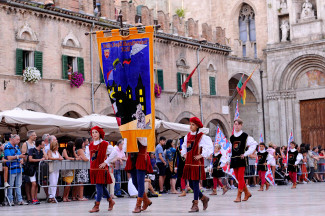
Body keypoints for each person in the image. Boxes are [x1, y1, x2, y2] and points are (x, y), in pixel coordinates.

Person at [181, 117, 213, 212]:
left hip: (196, 163)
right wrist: (184, 154)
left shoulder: (202, 136)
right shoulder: (187, 136)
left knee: (195, 183)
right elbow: (183, 147)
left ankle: (195, 205)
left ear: (197, 126)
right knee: (190, 183)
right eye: (190, 124)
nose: (190, 126)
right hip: (189, 162)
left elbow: (209, 147)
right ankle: (203, 197)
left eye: (193, 124)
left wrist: (201, 155)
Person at [229, 118, 257, 203]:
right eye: (235, 124)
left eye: (238, 124)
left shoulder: (245, 136)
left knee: (240, 177)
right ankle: (247, 193)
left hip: (241, 159)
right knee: (238, 178)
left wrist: (246, 153)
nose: (236, 126)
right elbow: (231, 149)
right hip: (234, 159)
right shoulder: (232, 137)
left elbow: (254, 144)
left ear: (241, 125)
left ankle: (238, 196)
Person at [89, 126, 115, 213]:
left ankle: (97, 205)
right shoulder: (91, 145)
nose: (94, 134)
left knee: (99, 187)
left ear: (100, 133)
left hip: (101, 169)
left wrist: (106, 162)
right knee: (102, 187)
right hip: (94, 169)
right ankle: (110, 201)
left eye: (96, 132)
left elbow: (114, 152)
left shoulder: (105, 144)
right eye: (93, 132)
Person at [124, 138, 153, 213]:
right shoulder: (129, 131)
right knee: (134, 181)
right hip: (132, 157)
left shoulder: (144, 129)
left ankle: (138, 205)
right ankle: (146, 200)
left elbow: (145, 143)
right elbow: (125, 147)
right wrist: (128, 138)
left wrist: (136, 135)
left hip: (141, 156)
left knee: (140, 182)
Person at [4, 134, 27, 205]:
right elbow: (8, 157)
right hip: (11, 168)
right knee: (11, 185)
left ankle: (19, 199)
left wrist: (21, 160)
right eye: (17, 139)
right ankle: (10, 200)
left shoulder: (17, 147)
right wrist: (18, 157)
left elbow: (19, 156)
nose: (19, 141)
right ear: (12, 139)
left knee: (18, 185)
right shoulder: (7, 146)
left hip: (19, 168)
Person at [28, 138, 48, 204]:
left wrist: (44, 151)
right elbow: (30, 159)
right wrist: (39, 160)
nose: (44, 145)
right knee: (33, 184)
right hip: (32, 169)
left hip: (38, 169)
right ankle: (32, 198)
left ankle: (36, 198)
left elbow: (46, 158)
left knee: (37, 184)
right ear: (39, 145)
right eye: (43, 145)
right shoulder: (32, 150)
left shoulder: (41, 151)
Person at [21, 130, 37, 204]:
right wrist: (27, 160)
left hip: (33, 165)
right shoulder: (25, 144)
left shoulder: (34, 143)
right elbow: (23, 154)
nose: (36, 136)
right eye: (34, 135)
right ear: (30, 136)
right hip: (28, 165)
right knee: (28, 182)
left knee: (32, 182)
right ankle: (28, 197)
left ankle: (32, 196)